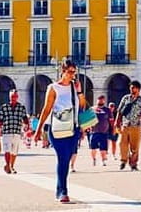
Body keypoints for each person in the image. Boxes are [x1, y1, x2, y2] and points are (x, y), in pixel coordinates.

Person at [35, 58, 87, 203]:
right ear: (62, 71)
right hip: (56, 129)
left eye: (74, 72)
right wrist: (38, 130)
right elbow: (46, 109)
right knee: (62, 158)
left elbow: (82, 106)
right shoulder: (53, 88)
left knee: (67, 158)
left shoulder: (74, 87)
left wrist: (80, 91)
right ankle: (63, 191)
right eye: (70, 72)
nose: (72, 75)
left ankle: (60, 190)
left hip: (73, 129)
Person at [114, 79, 141, 171]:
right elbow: (119, 110)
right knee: (122, 144)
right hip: (125, 125)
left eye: (133, 88)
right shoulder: (125, 98)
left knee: (135, 146)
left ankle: (133, 164)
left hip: (136, 125)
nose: (131, 89)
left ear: (138, 89)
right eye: (130, 88)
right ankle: (123, 160)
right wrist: (117, 121)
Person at [0, 89, 30, 174]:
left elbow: (25, 118)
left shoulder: (21, 107)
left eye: (15, 96)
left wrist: (27, 127)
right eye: (12, 96)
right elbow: (0, 120)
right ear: (9, 97)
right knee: (7, 150)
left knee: (14, 151)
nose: (14, 98)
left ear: (17, 97)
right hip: (7, 132)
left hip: (16, 131)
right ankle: (8, 166)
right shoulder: (4, 107)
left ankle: (11, 165)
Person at [90, 95, 112, 166]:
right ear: (97, 100)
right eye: (99, 99)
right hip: (94, 131)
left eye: (102, 100)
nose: (100, 101)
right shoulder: (92, 109)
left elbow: (111, 120)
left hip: (104, 132)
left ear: (104, 101)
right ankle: (93, 159)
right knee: (93, 148)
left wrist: (112, 129)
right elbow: (87, 119)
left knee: (103, 148)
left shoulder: (107, 110)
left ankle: (103, 161)